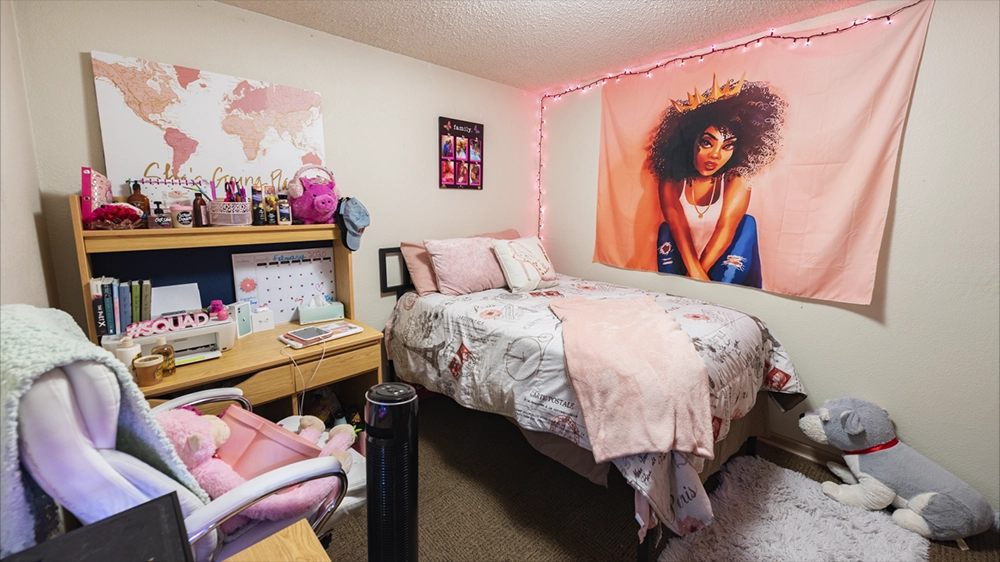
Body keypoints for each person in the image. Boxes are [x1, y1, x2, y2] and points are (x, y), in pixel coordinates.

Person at [647, 73, 785, 287]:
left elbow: (726, 229)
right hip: (685, 262)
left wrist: (700, 281)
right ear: (690, 141)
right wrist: (693, 274)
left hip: (724, 260)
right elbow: (677, 227)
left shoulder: (735, 178)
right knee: (666, 229)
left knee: (747, 224)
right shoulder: (672, 180)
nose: (715, 155)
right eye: (707, 143)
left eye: (727, 146)